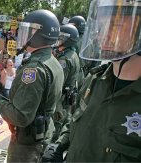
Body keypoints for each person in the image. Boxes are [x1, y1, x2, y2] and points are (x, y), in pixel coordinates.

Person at [45, 0, 141, 162]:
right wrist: (60, 144)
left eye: (115, 25)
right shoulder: (94, 80)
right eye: (101, 26)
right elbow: (75, 119)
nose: (103, 35)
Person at [0, 9, 64, 162]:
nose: (23, 34)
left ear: (39, 34)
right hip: (42, 133)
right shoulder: (53, 61)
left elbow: (20, 117)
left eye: (28, 30)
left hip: (27, 144)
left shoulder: (33, 70)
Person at [51, 24, 82, 141]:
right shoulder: (72, 54)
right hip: (68, 97)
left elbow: (58, 82)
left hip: (61, 99)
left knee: (56, 125)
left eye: (61, 37)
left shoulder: (64, 59)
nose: (58, 39)